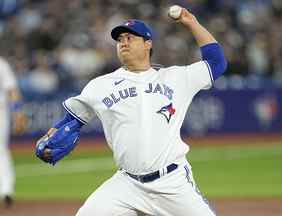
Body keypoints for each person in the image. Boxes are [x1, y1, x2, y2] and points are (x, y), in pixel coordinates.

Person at [35, 6, 227, 216]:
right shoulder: (100, 85)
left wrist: (192, 23)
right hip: (127, 185)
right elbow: (71, 121)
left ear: (148, 44)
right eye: (120, 39)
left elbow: (217, 63)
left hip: (172, 183)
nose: (123, 42)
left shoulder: (176, 78)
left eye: (130, 37)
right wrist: (49, 137)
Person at [0, 56, 23, 208]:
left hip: (1, 112)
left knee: (0, 150)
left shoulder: (1, 64)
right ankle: (6, 190)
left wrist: (18, 112)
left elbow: (12, 90)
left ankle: (6, 190)